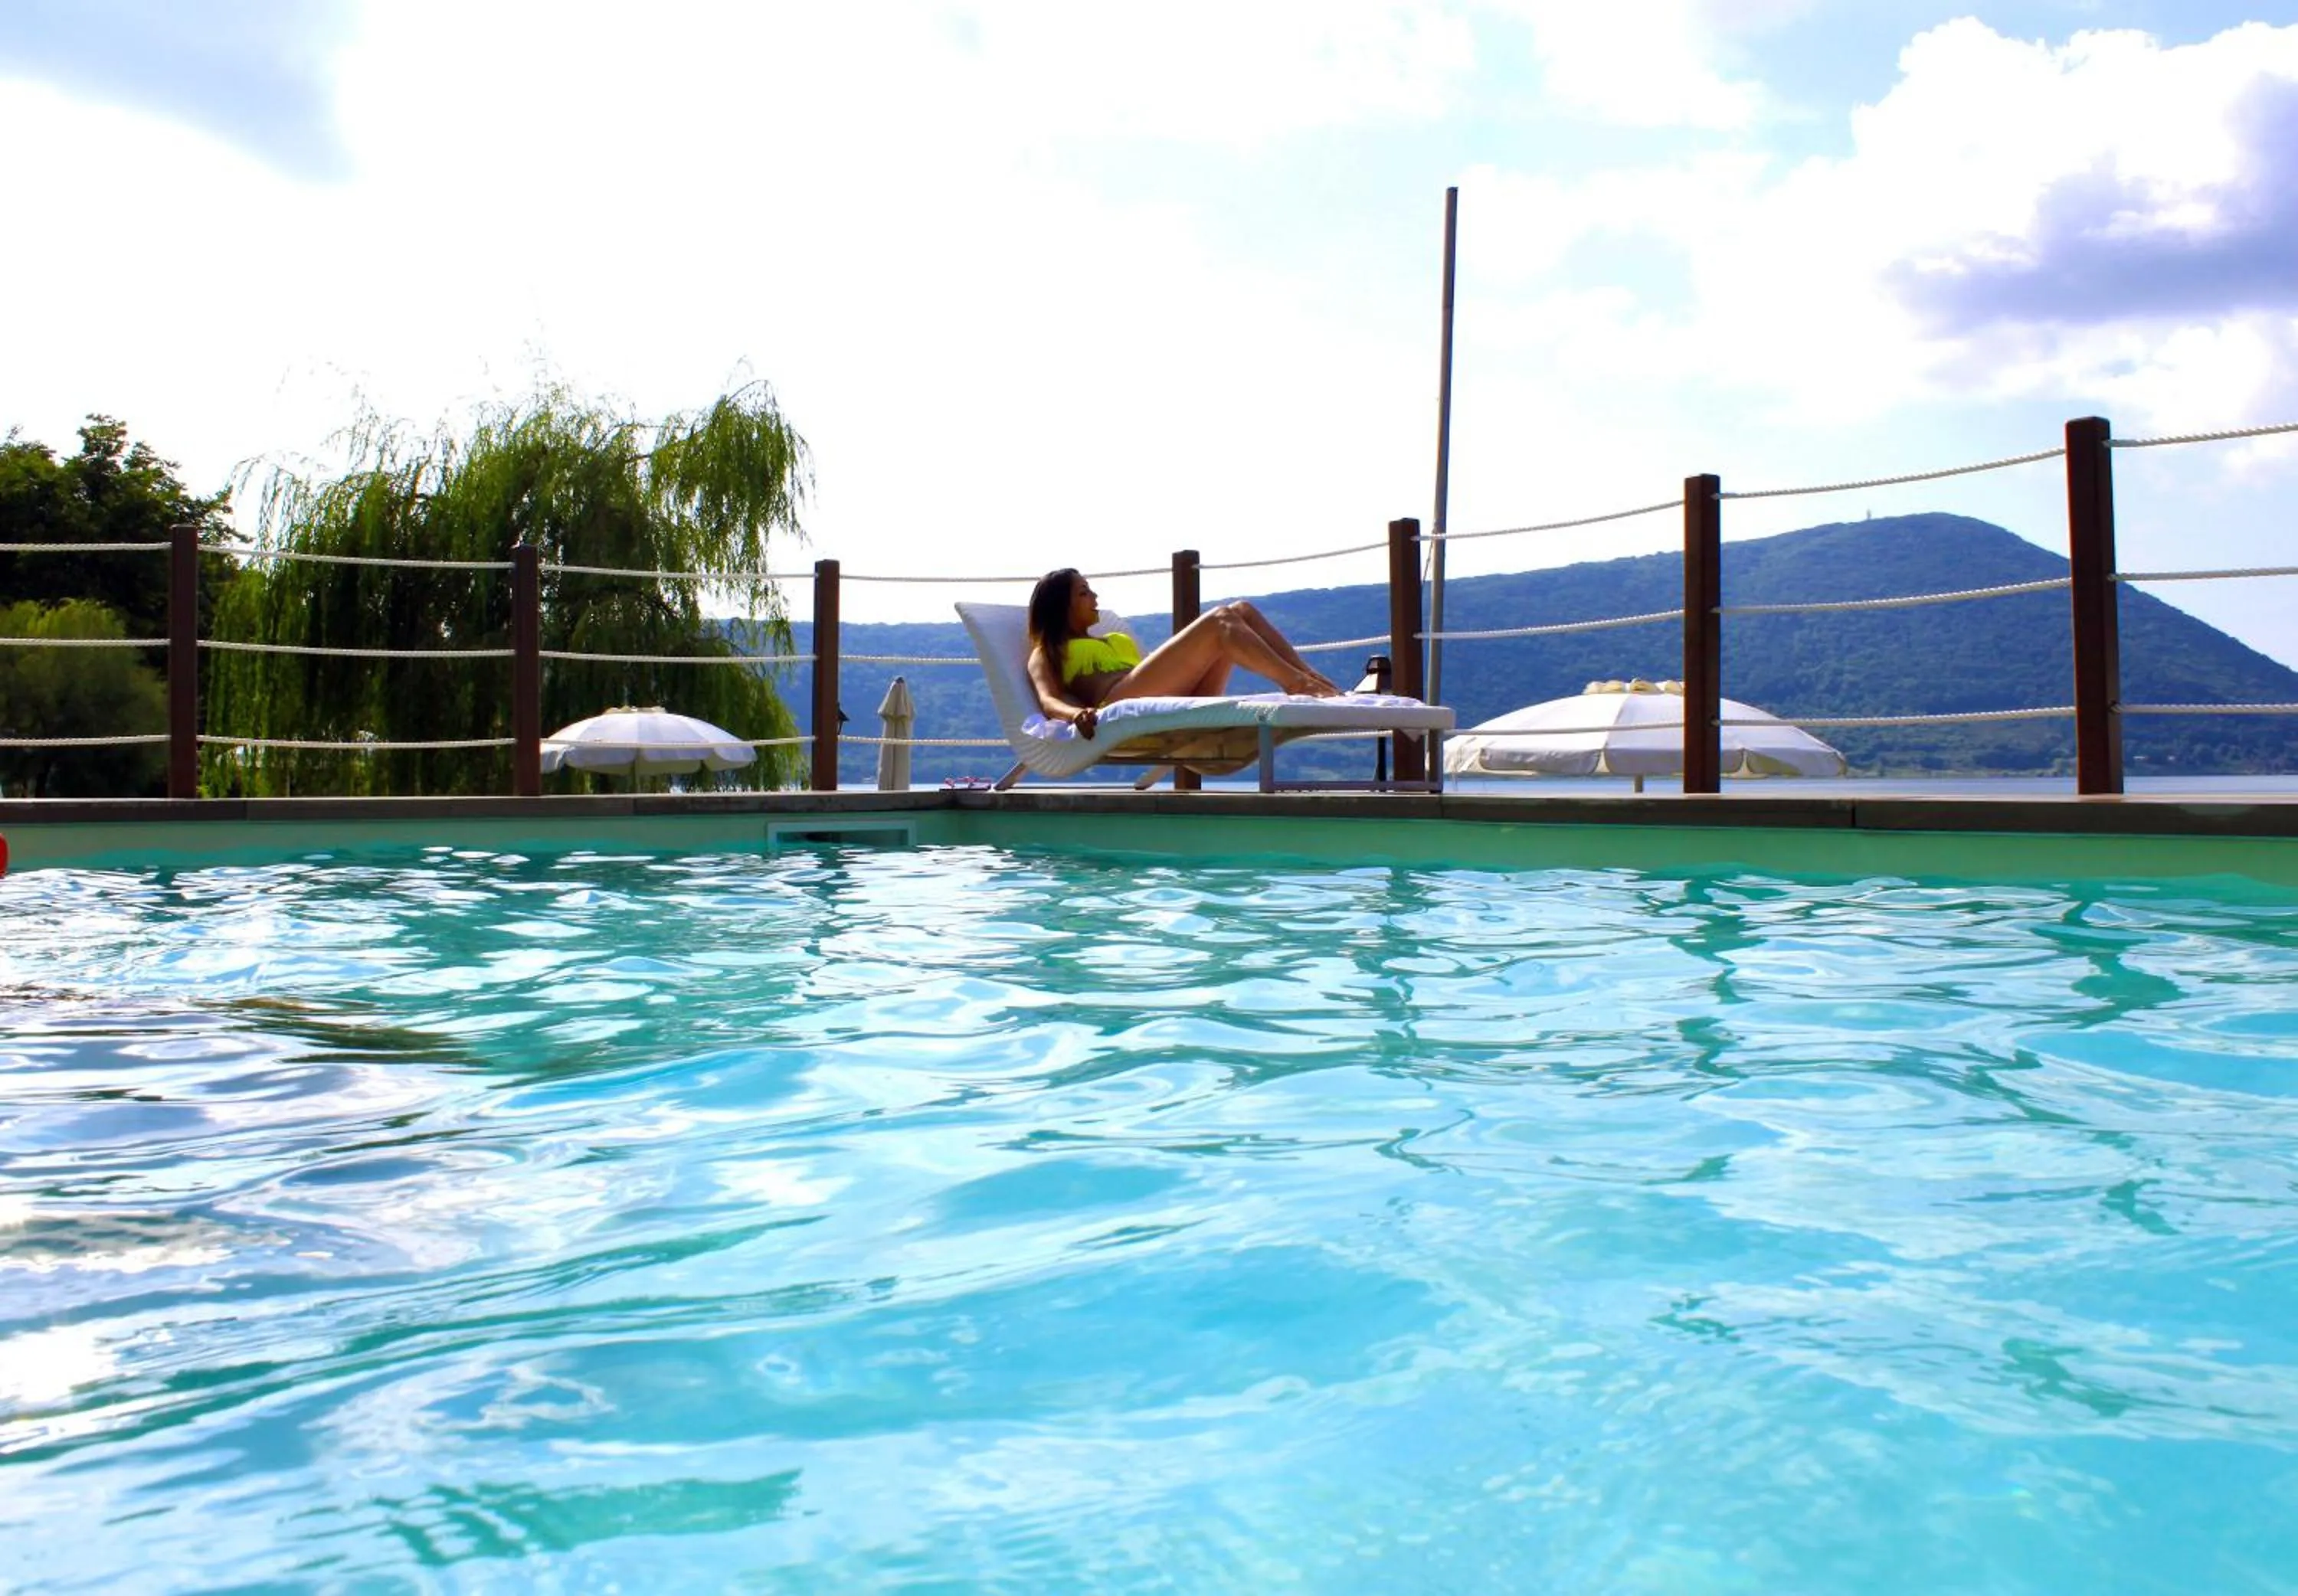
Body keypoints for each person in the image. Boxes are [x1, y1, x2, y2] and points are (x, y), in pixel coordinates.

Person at [1024, 567, 1344, 739]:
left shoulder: (1114, 637)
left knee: (1241, 610)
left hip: (1161, 697)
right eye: (1083, 592)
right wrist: (1076, 714)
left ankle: (1309, 676)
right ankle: (1298, 684)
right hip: (1122, 700)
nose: (1094, 596)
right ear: (1060, 607)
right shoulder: (1049, 650)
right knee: (1220, 619)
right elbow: (1048, 700)